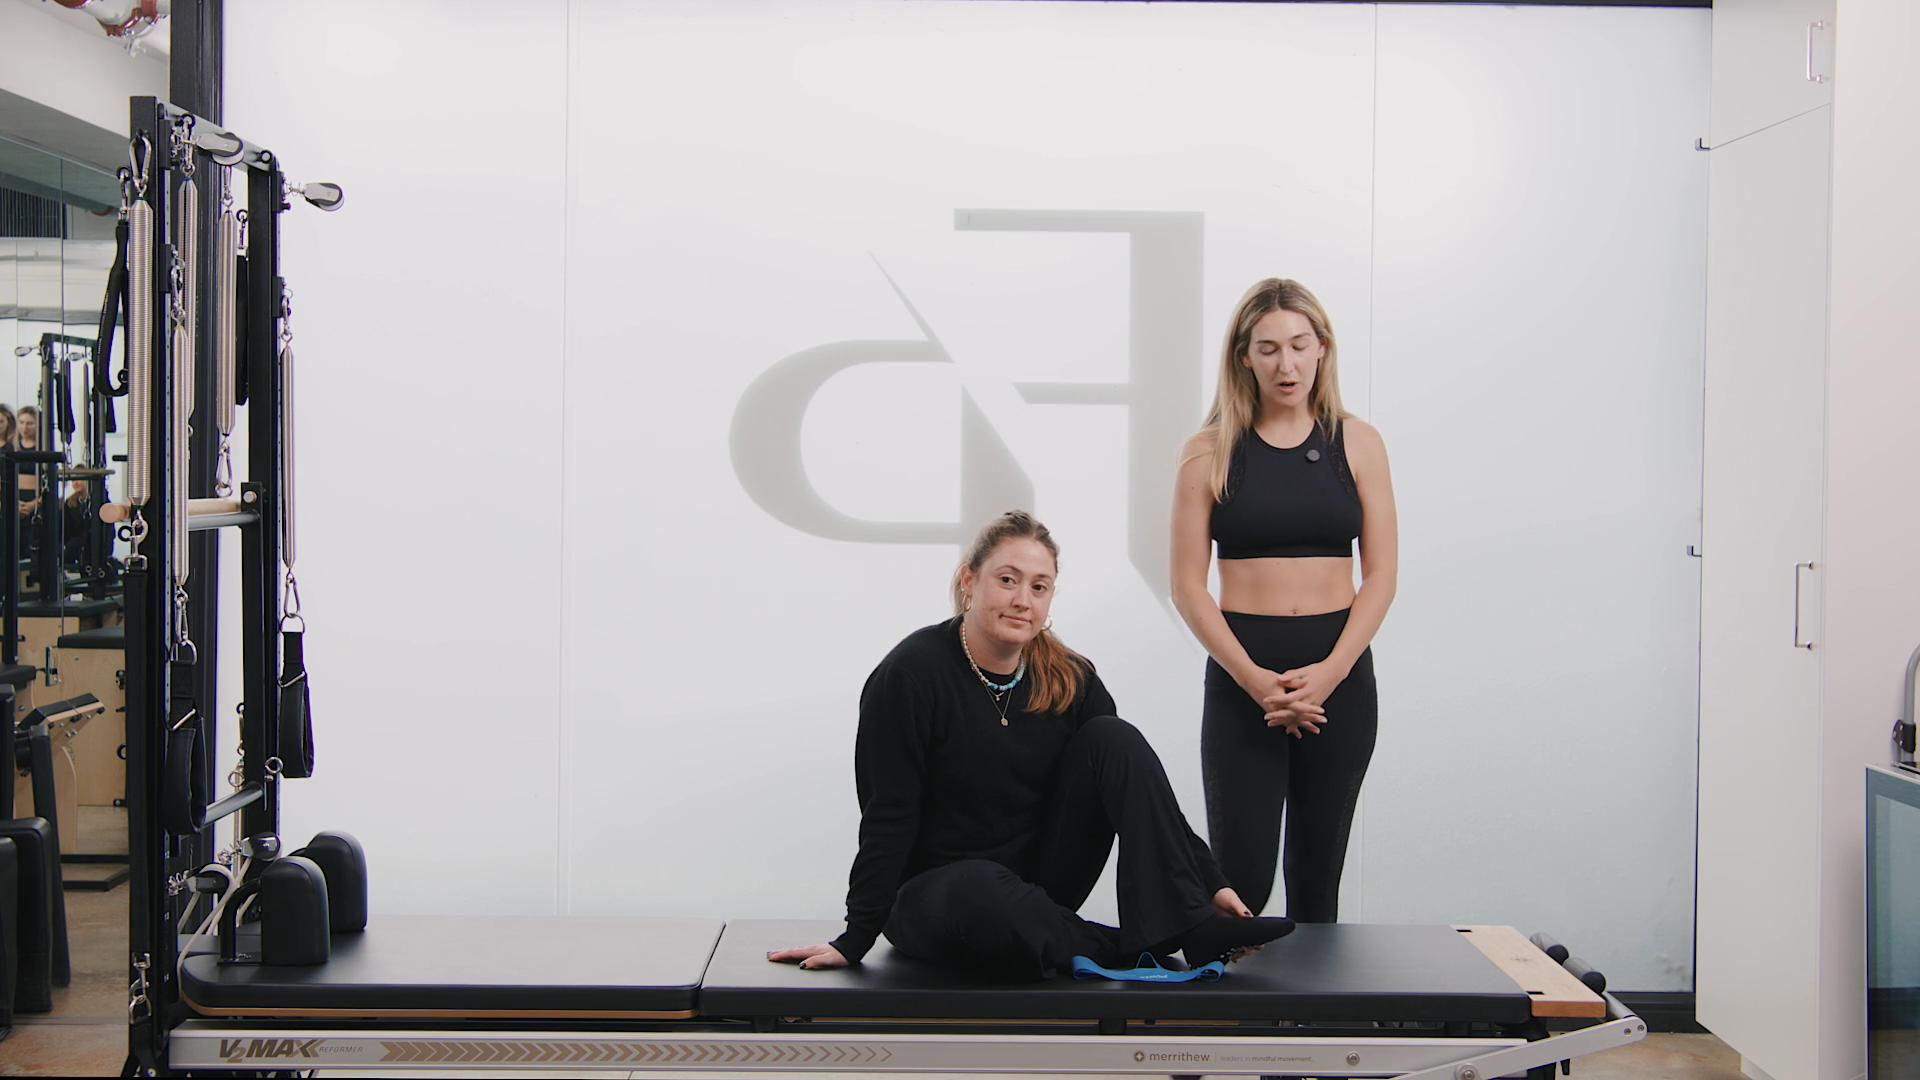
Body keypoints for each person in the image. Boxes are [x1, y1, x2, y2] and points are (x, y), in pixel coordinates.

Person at [769, 511, 1294, 981]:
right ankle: (1123, 946)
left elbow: (1139, 790)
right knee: (982, 889)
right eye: (1007, 580)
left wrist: (1210, 885)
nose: (1023, 599)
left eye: (1039, 587)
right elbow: (888, 816)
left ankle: (1191, 927)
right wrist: (855, 937)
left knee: (1114, 737)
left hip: (1036, 887)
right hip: (939, 897)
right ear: (969, 582)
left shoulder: (1071, 677)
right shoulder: (910, 676)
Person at [1170, 278, 1399, 922]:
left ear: (1322, 347)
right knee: (1239, 880)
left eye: (1299, 345)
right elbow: (1188, 586)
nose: (1286, 364)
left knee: (1316, 880)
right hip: (1245, 680)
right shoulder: (1208, 452)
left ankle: (1312, 997)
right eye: (1268, 349)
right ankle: (1227, 991)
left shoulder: (1359, 442)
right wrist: (1255, 683)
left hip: (1338, 681)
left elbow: (1382, 576)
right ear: (1244, 356)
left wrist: (1330, 674)